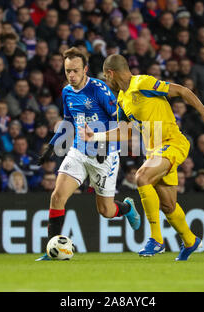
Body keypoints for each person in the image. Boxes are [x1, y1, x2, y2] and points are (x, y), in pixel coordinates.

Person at [80, 54, 204, 260]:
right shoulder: (122, 98)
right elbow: (125, 131)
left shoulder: (143, 83)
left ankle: (156, 240)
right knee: (168, 206)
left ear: (111, 73)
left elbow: (182, 91)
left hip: (172, 144)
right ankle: (190, 240)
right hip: (155, 151)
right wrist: (94, 135)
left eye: (106, 77)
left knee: (142, 177)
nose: (106, 81)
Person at [36, 47, 140, 261]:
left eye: (75, 71)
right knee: (57, 197)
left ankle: (127, 208)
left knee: (106, 211)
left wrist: (104, 143)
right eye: (67, 71)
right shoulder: (66, 92)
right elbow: (68, 121)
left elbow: (120, 122)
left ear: (85, 69)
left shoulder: (99, 89)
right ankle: (51, 250)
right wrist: (52, 146)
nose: (71, 76)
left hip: (105, 156)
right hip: (79, 151)